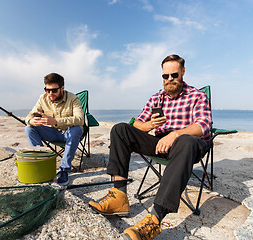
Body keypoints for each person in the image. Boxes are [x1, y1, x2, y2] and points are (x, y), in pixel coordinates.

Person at [89, 54, 212, 239]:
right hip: (161, 143)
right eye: (165, 76)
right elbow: (138, 124)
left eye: (174, 75)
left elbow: (203, 125)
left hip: (189, 145)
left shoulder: (197, 96)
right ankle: (119, 196)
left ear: (183, 72)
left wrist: (175, 134)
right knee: (120, 129)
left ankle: (154, 219)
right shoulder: (157, 98)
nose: (170, 79)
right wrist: (150, 126)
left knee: (185, 141)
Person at [25, 73, 84, 186]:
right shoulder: (43, 98)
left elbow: (80, 119)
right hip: (53, 132)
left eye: (54, 90)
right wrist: (30, 121)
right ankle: (42, 163)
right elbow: (30, 115)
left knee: (76, 129)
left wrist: (56, 121)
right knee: (29, 129)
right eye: (47, 90)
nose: (50, 93)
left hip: (69, 133)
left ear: (62, 88)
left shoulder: (73, 99)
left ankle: (64, 170)